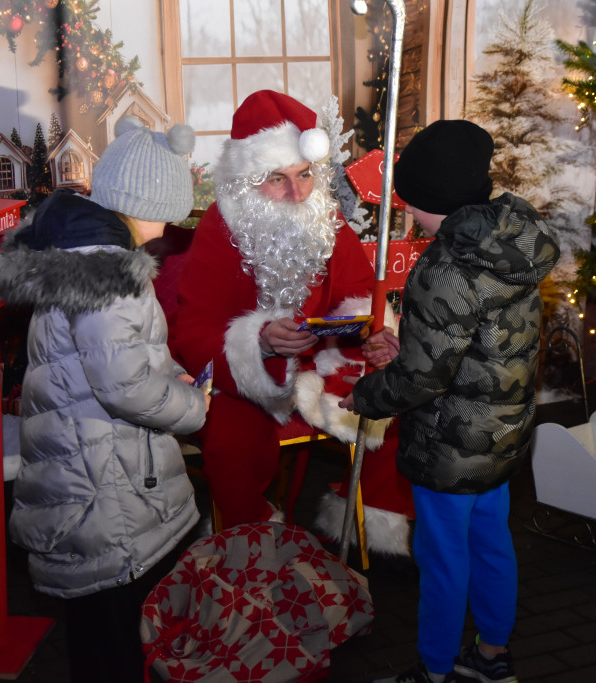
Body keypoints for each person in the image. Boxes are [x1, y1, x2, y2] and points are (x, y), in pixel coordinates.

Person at [341, 119, 560, 683]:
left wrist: (365, 393)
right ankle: (492, 656)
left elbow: (424, 380)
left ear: (427, 196)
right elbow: (476, 344)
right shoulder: (509, 242)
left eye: (410, 201)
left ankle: (433, 669)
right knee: (492, 545)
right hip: (503, 433)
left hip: (449, 443)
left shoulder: (444, 266)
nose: (407, 211)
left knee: (442, 560)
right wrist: (408, 347)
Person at [0, 117, 209, 682]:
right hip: (103, 479)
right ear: (144, 202)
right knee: (114, 632)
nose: (167, 228)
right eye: (166, 212)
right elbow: (125, 385)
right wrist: (195, 408)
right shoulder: (111, 272)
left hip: (89, 461)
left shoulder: (83, 256)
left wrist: (175, 376)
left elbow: (129, 358)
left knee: (104, 627)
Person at [169, 89, 413, 553]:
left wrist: (377, 335)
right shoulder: (221, 228)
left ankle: (372, 522)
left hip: (321, 361)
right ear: (246, 181)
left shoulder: (324, 217)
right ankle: (253, 544)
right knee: (233, 441)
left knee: (395, 394)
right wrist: (259, 343)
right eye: (277, 179)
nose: (297, 193)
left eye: (304, 175)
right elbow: (195, 331)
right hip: (239, 379)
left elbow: (359, 296)